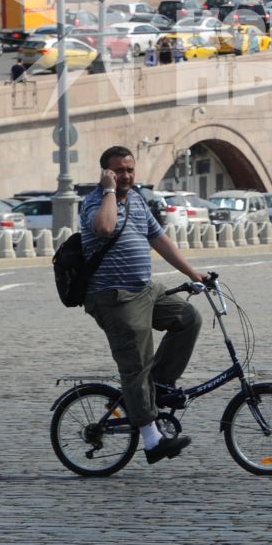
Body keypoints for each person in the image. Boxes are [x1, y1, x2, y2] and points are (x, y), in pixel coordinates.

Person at [80, 145, 212, 465]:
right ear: (106, 173)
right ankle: (152, 441)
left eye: (129, 169)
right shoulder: (94, 202)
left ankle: (156, 388)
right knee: (136, 361)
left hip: (145, 291)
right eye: (118, 171)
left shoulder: (138, 200)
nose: (126, 175)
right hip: (114, 297)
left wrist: (194, 273)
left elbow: (159, 239)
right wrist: (109, 190)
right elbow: (104, 228)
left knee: (188, 318)